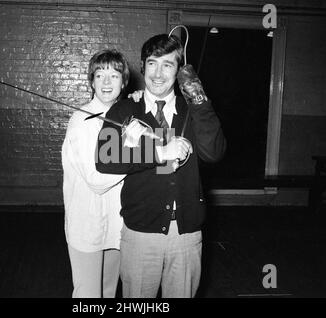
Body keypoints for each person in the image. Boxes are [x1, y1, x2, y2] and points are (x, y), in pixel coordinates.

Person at [95, 34, 226, 298]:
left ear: (178, 71)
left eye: (168, 65)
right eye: (152, 63)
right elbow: (105, 159)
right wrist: (158, 152)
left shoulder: (193, 110)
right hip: (141, 233)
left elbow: (213, 153)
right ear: (142, 67)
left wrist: (198, 100)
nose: (158, 73)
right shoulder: (124, 109)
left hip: (187, 235)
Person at [61, 49, 130, 298]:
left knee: (109, 293)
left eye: (114, 75)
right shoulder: (81, 121)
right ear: (91, 82)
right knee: (89, 297)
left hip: (116, 226)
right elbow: (95, 180)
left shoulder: (127, 119)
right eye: (100, 75)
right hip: (87, 226)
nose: (107, 82)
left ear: (124, 82)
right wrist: (146, 160)